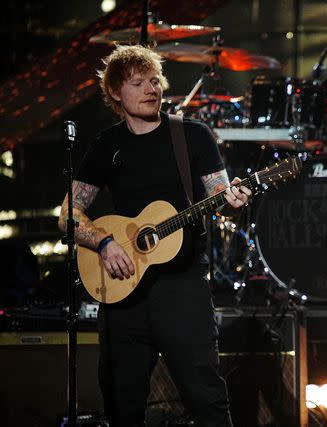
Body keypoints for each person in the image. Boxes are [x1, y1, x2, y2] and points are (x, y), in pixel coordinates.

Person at [57, 44, 251, 426]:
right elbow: (67, 215)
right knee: (121, 404)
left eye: (154, 81)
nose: (151, 89)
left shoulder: (192, 136)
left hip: (182, 288)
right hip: (122, 287)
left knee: (206, 399)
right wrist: (105, 242)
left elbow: (219, 195)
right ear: (115, 92)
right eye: (138, 83)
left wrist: (233, 198)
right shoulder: (107, 145)